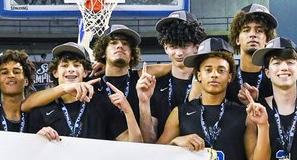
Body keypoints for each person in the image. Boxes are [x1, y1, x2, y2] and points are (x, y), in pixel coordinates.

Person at [32, 42, 143, 143]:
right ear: (55, 73)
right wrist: (38, 138)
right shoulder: (43, 107)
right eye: (64, 65)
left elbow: (135, 144)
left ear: (85, 72)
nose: (71, 69)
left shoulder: (102, 103)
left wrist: (128, 111)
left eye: (76, 65)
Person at [145, 10, 206, 142]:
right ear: (165, 48)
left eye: (184, 46)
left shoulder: (208, 83)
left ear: (196, 47)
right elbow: (149, 140)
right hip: (165, 156)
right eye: (173, 46)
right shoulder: (155, 84)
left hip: (199, 155)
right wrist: (143, 103)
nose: (179, 53)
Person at [88, 25, 154, 127]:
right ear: (103, 52)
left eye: (125, 44)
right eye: (114, 43)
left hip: (135, 142)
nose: (120, 46)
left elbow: (173, 66)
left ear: (132, 55)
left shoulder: (141, 80)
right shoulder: (90, 84)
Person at [226, 3, 277, 105]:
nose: (253, 34)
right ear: (237, 39)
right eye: (246, 30)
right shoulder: (226, 76)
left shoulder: (275, 77)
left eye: (259, 30)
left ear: (267, 39)